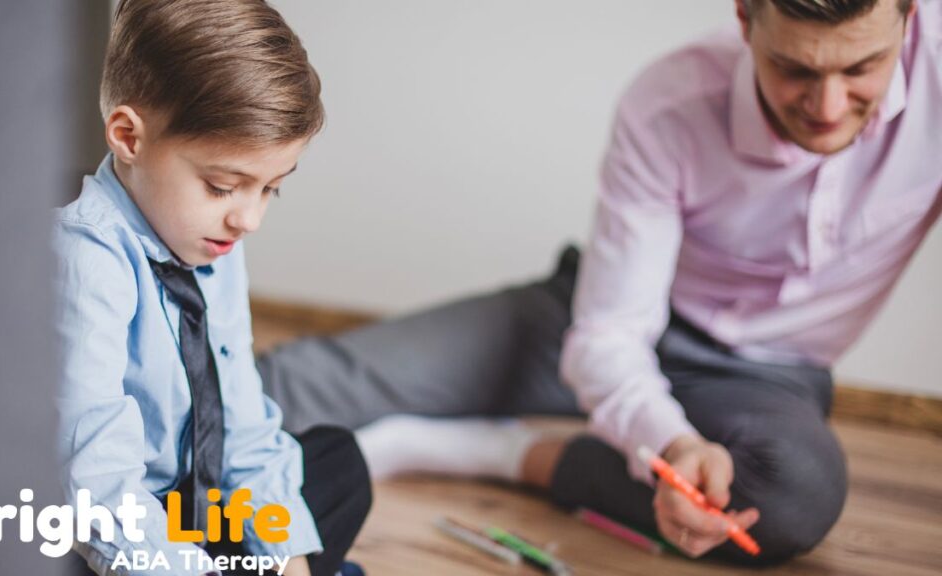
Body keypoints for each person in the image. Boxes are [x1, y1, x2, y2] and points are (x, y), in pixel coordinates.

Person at [257, 0, 942, 566]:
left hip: (767, 379)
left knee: (793, 495)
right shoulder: (669, 101)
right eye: (793, 68)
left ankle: (499, 450)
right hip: (591, 321)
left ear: (909, 17)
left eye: (863, 67)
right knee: (281, 388)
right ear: (745, 19)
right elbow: (609, 332)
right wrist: (672, 446)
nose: (827, 106)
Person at [54, 1, 370, 575]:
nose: (249, 219)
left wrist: (290, 560)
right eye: (224, 186)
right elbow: (94, 487)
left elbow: (241, 418)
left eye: (272, 189)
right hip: (99, 518)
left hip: (185, 504)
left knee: (338, 463)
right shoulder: (84, 259)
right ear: (129, 137)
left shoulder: (213, 242)